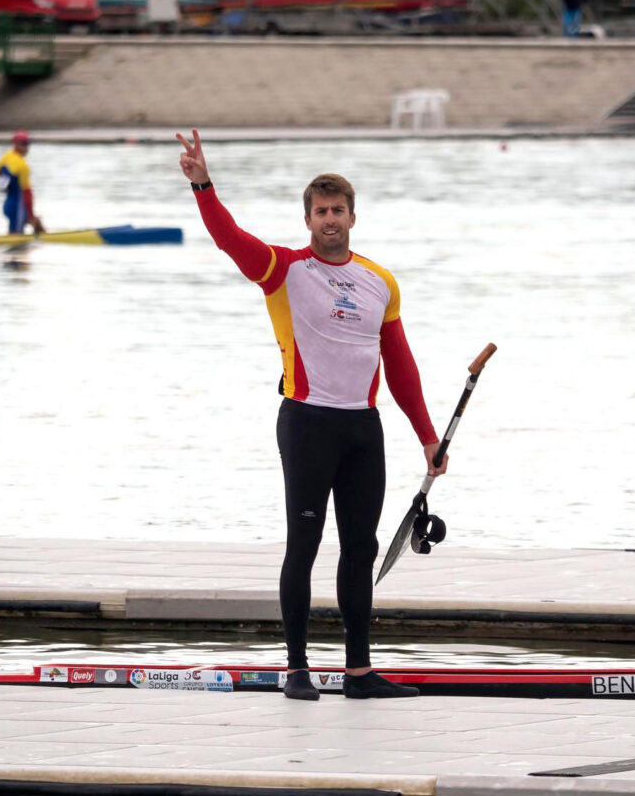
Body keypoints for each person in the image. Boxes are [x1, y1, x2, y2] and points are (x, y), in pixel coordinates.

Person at [176, 128, 448, 701]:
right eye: (321, 211)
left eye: (338, 210)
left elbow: (400, 367)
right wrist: (203, 184)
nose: (330, 219)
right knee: (304, 544)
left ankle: (358, 673)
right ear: (308, 220)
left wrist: (427, 436)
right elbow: (229, 238)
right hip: (306, 423)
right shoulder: (284, 270)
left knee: (361, 547)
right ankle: (296, 669)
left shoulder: (380, 282)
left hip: (361, 428)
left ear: (353, 217)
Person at [0, 130, 45, 235]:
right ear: (16, 145)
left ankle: (44, 237)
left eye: (28, 143)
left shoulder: (6, 157)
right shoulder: (23, 166)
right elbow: (27, 193)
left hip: (8, 205)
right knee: (16, 242)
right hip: (18, 208)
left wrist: (7, 177)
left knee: (37, 223)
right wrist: (30, 214)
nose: (27, 147)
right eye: (24, 144)